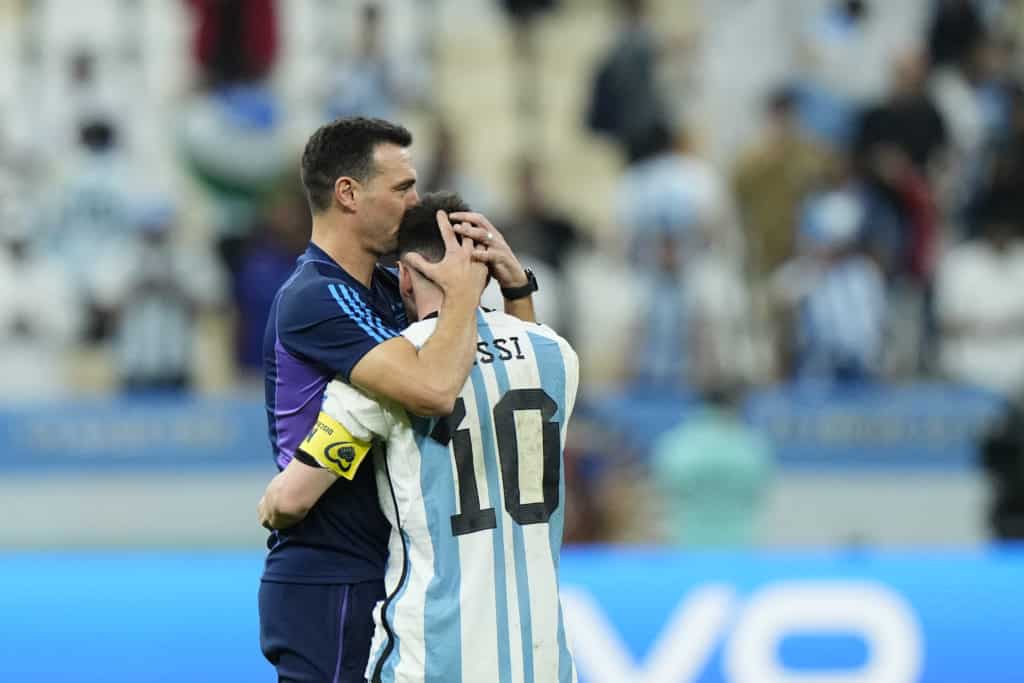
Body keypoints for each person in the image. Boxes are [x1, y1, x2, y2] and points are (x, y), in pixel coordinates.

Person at [258, 119, 538, 682]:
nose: (415, 202)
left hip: (397, 569)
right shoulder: (315, 297)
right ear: (348, 193)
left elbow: (505, 375)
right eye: (402, 188)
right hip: (331, 573)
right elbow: (434, 390)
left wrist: (513, 290)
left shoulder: (391, 287)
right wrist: (462, 295)